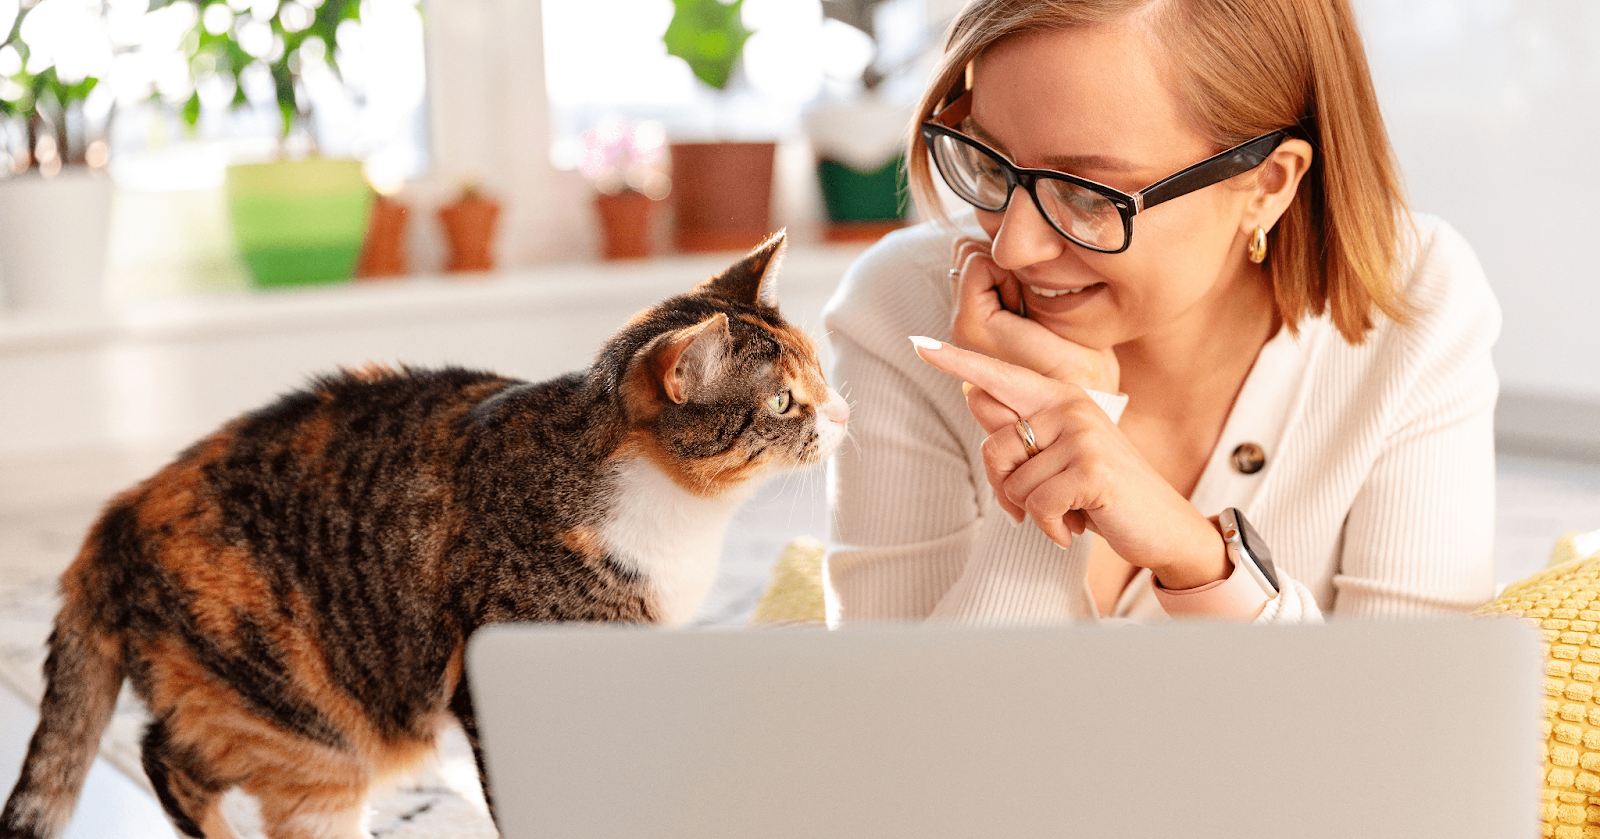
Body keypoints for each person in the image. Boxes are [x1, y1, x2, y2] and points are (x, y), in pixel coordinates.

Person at [820, 0, 1500, 624]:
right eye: (991, 163)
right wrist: (1041, 481)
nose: (1012, 245)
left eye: (1088, 194)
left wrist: (1197, 559)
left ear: (1265, 185)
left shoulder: (1415, 299)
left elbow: (1407, 734)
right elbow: (902, 736)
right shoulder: (899, 309)